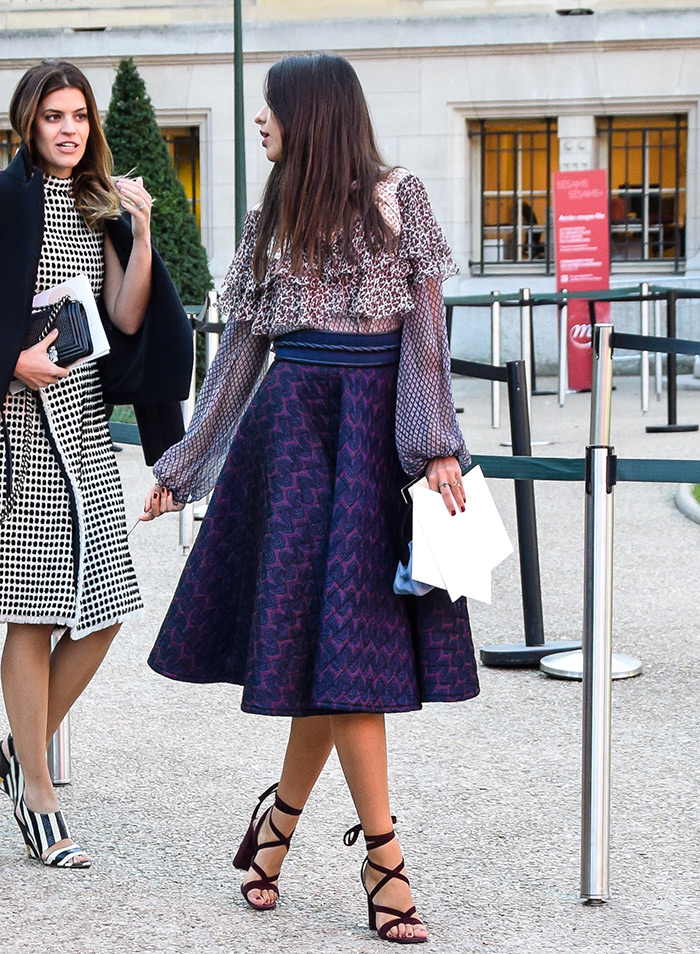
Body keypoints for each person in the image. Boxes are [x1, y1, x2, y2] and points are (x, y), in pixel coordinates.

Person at [143, 53, 479, 943]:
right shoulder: (271, 217)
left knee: (346, 662)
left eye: (270, 110)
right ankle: (381, 862)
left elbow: (427, 338)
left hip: (374, 441)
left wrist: (434, 446)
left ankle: (285, 831)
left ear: (312, 114)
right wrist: (186, 465)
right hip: (291, 439)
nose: (260, 123)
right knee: (335, 663)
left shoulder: (398, 197)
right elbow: (239, 356)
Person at [0, 59, 191, 869]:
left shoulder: (99, 201)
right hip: (18, 420)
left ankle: (19, 753)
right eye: (53, 117)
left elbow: (126, 316)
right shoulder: (6, 201)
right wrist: (13, 362)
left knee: (106, 603)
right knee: (34, 608)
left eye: (79, 115)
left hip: (81, 425)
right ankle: (38, 795)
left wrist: (143, 231)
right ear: (27, 123)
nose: (69, 129)